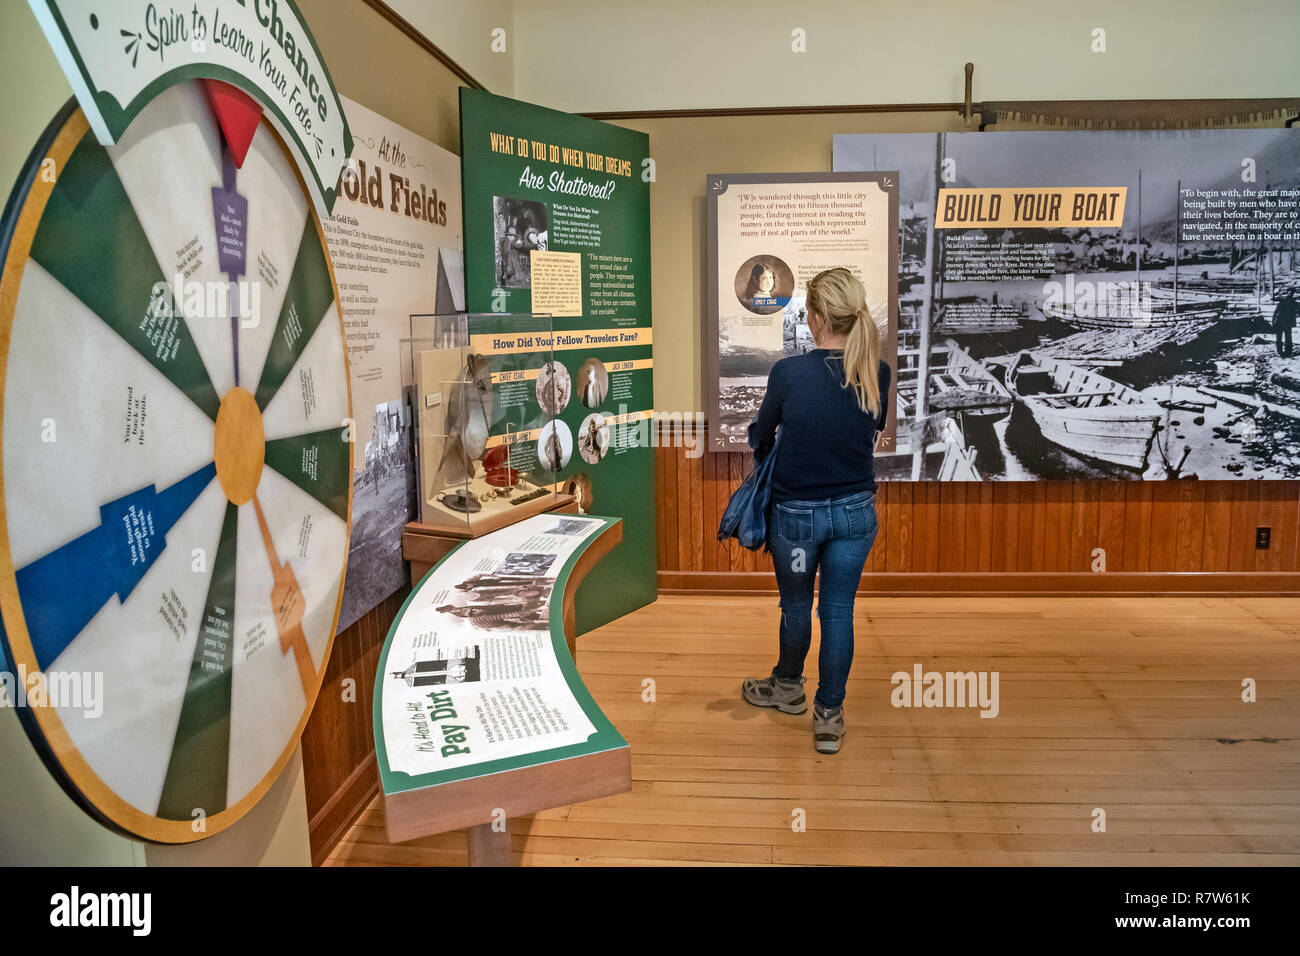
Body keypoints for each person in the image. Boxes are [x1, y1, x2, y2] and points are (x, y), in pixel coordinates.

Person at [741, 267, 891, 755]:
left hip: (797, 517)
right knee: (839, 611)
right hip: (854, 514)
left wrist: (772, 447)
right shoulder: (876, 371)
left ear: (819, 317)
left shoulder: (789, 374)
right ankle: (829, 715)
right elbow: (873, 426)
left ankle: (787, 688)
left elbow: (762, 433)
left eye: (807, 310)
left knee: (798, 605)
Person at [1273, 290, 1297, 357]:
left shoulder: (1294, 303)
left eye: (1291, 294)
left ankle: (1288, 352)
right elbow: (1276, 312)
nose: (1289, 295)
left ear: (1293, 294)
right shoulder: (1282, 302)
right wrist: (1273, 321)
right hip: (1280, 322)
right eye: (1288, 293)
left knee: (1288, 337)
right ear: (1287, 294)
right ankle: (1279, 351)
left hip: (1288, 323)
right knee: (1279, 337)